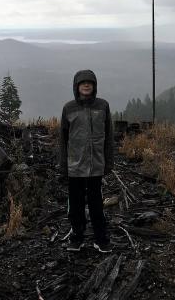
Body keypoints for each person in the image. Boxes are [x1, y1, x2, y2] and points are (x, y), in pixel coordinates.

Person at [59, 69, 114, 252]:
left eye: (89, 82)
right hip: (75, 165)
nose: (86, 85)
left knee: (96, 203)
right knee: (76, 205)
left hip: (96, 164)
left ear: (94, 86)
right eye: (83, 83)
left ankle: (101, 238)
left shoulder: (103, 106)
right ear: (77, 86)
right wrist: (63, 165)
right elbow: (63, 140)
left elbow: (109, 136)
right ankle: (77, 237)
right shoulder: (68, 108)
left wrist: (109, 162)